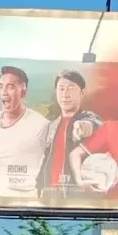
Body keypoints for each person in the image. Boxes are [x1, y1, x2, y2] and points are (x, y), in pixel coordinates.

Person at [0, 65, 50, 198]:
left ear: (23, 93)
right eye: (0, 86)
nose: (4, 92)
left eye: (10, 87)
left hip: (28, 197)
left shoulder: (41, 124)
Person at [41, 69, 102, 198]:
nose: (65, 94)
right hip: (49, 194)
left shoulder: (88, 117)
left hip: (76, 194)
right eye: (61, 89)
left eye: (71, 88)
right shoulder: (51, 125)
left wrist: (84, 127)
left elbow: (94, 124)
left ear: (82, 93)